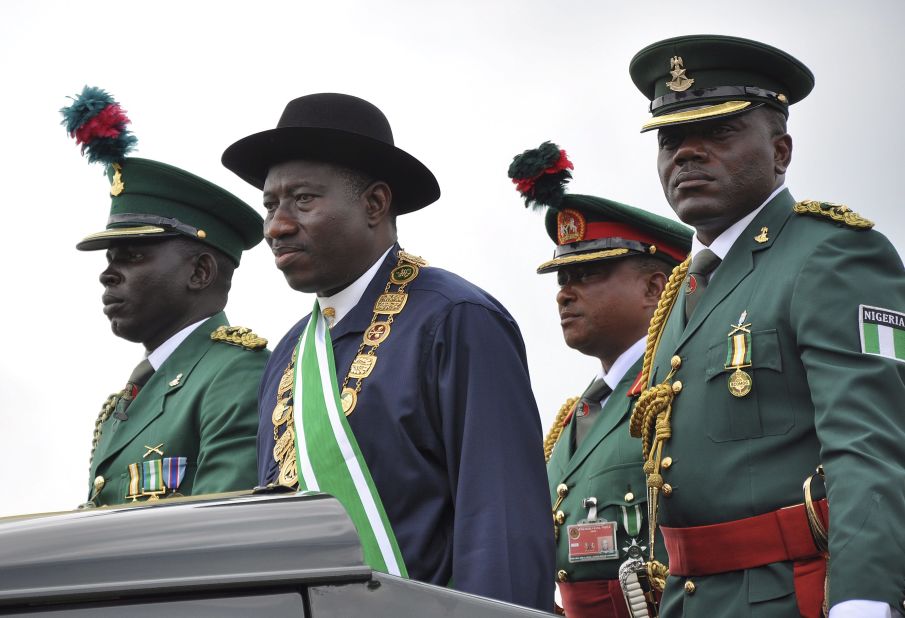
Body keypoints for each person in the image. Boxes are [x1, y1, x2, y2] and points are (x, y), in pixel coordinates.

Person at [220, 93, 554, 609]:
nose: (277, 226)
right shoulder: (289, 355)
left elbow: (501, 526)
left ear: (375, 204)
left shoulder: (455, 319)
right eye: (270, 204)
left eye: (303, 200)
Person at [627, 35, 905, 617]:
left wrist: (863, 600)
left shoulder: (833, 257)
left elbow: (871, 448)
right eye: (671, 139)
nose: (687, 154)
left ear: (781, 151)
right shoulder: (681, 292)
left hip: (794, 596)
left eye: (720, 132)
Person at [62, 87, 269, 508]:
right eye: (110, 258)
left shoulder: (235, 374)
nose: (107, 274)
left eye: (132, 256)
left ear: (200, 272)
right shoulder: (123, 402)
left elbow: (222, 541)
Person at [509, 142, 691, 617]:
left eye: (587, 274)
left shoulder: (677, 393)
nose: (565, 295)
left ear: (655, 288)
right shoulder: (575, 416)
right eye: (562, 278)